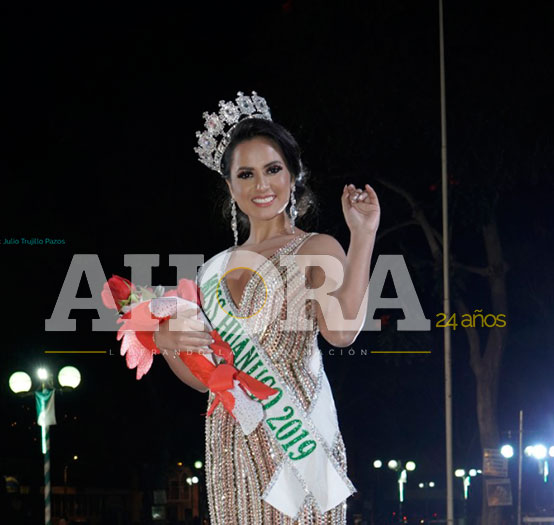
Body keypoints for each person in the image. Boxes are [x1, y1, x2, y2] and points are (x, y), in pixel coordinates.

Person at [153, 92, 380, 524]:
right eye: (246, 174)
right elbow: (206, 379)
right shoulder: (212, 271)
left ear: (293, 174)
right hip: (229, 441)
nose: (262, 185)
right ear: (230, 185)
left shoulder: (314, 248)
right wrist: (166, 343)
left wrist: (363, 235)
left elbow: (342, 332)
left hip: (296, 442)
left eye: (273, 169)